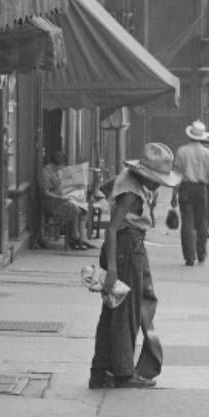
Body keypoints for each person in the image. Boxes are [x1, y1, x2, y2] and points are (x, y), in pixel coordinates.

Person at [89, 142, 181, 390]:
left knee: (113, 309)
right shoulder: (131, 192)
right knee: (126, 312)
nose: (159, 184)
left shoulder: (128, 180)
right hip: (126, 249)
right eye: (157, 179)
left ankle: (101, 371)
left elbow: (104, 189)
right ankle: (122, 372)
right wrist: (113, 270)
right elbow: (112, 229)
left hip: (128, 246)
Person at [171, 120, 209, 266]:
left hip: (185, 188)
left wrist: (174, 194)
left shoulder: (181, 151)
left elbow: (176, 175)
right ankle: (201, 253)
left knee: (187, 222)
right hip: (201, 190)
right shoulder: (207, 153)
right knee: (202, 222)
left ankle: (189, 257)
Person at [41, 150, 94, 250]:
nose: (61, 168)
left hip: (64, 198)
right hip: (53, 202)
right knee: (73, 208)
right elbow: (46, 193)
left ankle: (83, 237)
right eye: (59, 166)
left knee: (82, 206)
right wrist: (60, 197)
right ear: (54, 164)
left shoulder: (60, 171)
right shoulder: (46, 172)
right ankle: (75, 235)